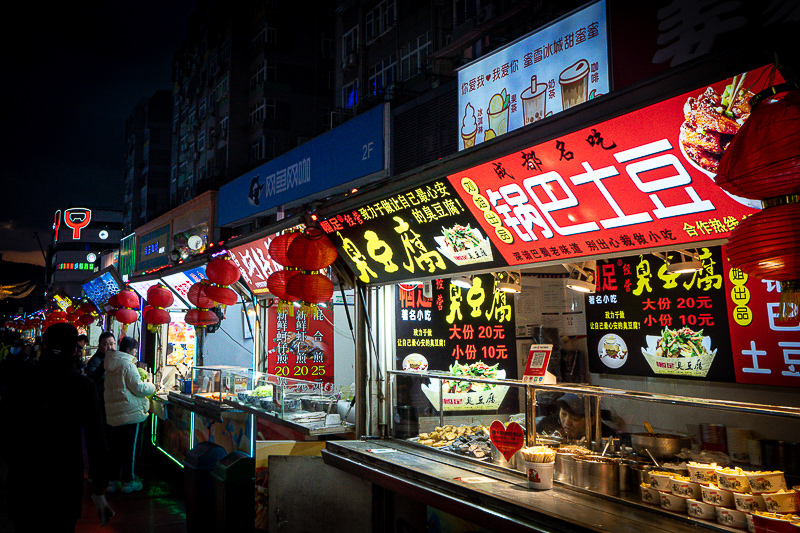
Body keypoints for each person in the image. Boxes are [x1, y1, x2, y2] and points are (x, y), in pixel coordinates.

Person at [0, 323, 112, 531]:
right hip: (64, 478)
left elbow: (5, 429)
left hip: (24, 479)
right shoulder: (84, 387)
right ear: (74, 350)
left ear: (42, 347)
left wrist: (17, 461)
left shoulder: (20, 381)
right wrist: (101, 479)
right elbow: (96, 437)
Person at [104, 336, 155, 493]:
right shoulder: (128, 365)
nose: (135, 352)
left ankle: (112, 481)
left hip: (116, 414)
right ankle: (128, 481)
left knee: (115, 449)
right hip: (130, 414)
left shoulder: (111, 365)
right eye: (135, 349)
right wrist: (151, 385)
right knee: (130, 449)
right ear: (129, 350)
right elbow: (139, 388)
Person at [537, 393, 618, 442]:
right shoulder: (548, 425)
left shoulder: (606, 436)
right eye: (563, 414)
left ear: (591, 420)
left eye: (574, 418)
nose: (566, 422)